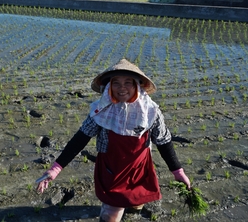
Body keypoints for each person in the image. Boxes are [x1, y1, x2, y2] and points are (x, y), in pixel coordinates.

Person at [36, 58, 190, 222]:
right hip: (112, 170)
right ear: (109, 86)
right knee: (111, 214)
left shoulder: (150, 112)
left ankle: (134, 205)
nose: (122, 88)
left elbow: (163, 141)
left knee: (136, 201)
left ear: (137, 85)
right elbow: (80, 139)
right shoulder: (101, 110)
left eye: (128, 82)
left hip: (139, 168)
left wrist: (178, 172)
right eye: (116, 83)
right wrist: (56, 168)